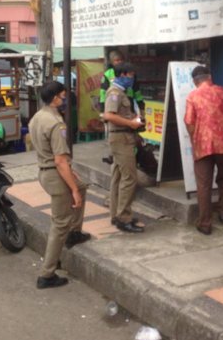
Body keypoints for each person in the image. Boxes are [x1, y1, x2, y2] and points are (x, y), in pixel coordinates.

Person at [28, 81, 90, 289]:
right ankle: (47, 273)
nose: (64, 100)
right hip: (55, 175)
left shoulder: (37, 117)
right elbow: (60, 160)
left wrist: (75, 184)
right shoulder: (56, 123)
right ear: (54, 98)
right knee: (59, 223)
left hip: (45, 172)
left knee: (82, 185)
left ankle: (75, 232)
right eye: (63, 97)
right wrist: (72, 189)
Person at [184, 65, 223, 235]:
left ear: (195, 81)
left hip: (203, 146)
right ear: (209, 77)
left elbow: (189, 121)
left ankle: (205, 223)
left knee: (204, 185)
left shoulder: (192, 96)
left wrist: (195, 140)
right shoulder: (222, 91)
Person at [103, 62, 145, 233]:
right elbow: (108, 115)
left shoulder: (122, 92)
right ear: (122, 75)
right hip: (121, 138)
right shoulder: (114, 93)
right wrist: (131, 123)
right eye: (130, 75)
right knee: (129, 178)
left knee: (118, 177)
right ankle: (124, 218)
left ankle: (116, 215)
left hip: (124, 136)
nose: (132, 78)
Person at [99, 50, 145, 116]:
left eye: (121, 60)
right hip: (114, 102)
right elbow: (103, 93)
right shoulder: (108, 74)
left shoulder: (129, 72)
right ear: (112, 62)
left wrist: (141, 107)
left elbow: (137, 91)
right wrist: (102, 110)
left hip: (128, 101)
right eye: (117, 60)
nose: (119, 62)